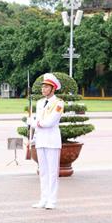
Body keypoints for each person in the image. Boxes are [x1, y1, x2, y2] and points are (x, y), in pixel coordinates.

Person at [30, 73, 64, 210]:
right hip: (41, 139)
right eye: (43, 87)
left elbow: (50, 122)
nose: (43, 89)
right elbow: (37, 120)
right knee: (43, 171)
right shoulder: (39, 103)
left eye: (46, 87)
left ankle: (52, 200)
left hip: (52, 140)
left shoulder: (59, 103)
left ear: (53, 88)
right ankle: (43, 199)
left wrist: (35, 123)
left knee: (52, 172)